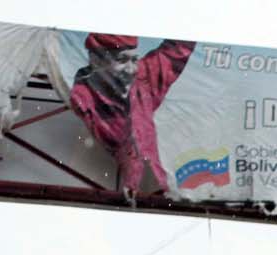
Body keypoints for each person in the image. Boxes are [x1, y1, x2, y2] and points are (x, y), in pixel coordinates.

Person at [68, 34, 197, 198]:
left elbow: (177, 49)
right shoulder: (86, 102)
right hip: (125, 191)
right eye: (122, 60)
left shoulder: (142, 79)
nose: (131, 69)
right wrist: (134, 181)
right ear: (96, 61)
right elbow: (126, 146)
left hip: (154, 190)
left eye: (134, 59)